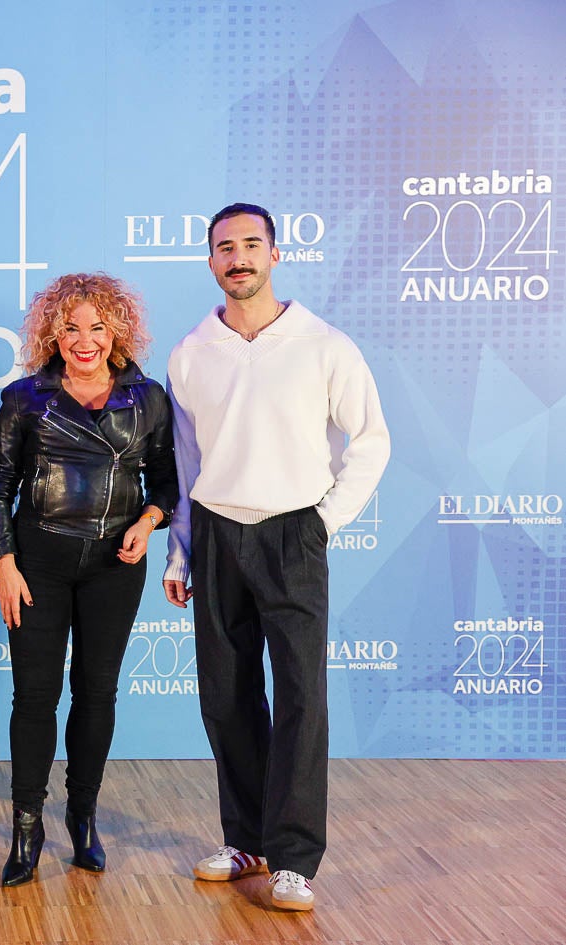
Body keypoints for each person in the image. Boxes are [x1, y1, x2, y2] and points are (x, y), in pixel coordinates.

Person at [163, 203, 390, 911]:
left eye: (250, 244)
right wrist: (180, 552)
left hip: (294, 531)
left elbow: (371, 440)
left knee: (299, 696)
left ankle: (292, 858)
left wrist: (321, 522)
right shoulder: (189, 352)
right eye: (224, 247)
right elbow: (184, 460)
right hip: (216, 531)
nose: (238, 258)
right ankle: (247, 841)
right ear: (210, 262)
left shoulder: (324, 344)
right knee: (226, 696)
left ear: (274, 253)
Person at [0, 272, 177, 887]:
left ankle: (84, 818)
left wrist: (148, 522)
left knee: (97, 693)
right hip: (37, 561)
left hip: (112, 568)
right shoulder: (24, 398)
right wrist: (4, 563)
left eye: (97, 326)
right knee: (34, 696)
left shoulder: (147, 398)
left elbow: (169, 485)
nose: (84, 339)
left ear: (117, 330)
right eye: (71, 327)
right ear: (52, 333)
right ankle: (25, 827)